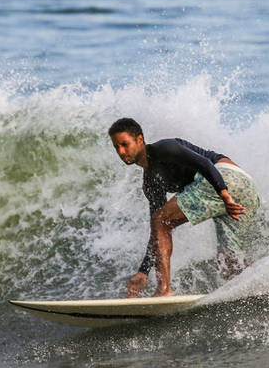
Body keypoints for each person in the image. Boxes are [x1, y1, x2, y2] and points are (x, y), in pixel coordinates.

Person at [108, 117, 260, 297]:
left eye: (124, 144)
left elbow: (205, 164)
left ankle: (164, 290)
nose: (121, 151)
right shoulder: (150, 183)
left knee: (161, 220)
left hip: (225, 178)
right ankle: (263, 283)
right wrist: (143, 271)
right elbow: (157, 232)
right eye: (117, 147)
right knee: (231, 268)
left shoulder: (165, 148)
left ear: (140, 139)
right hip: (246, 190)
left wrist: (224, 194)